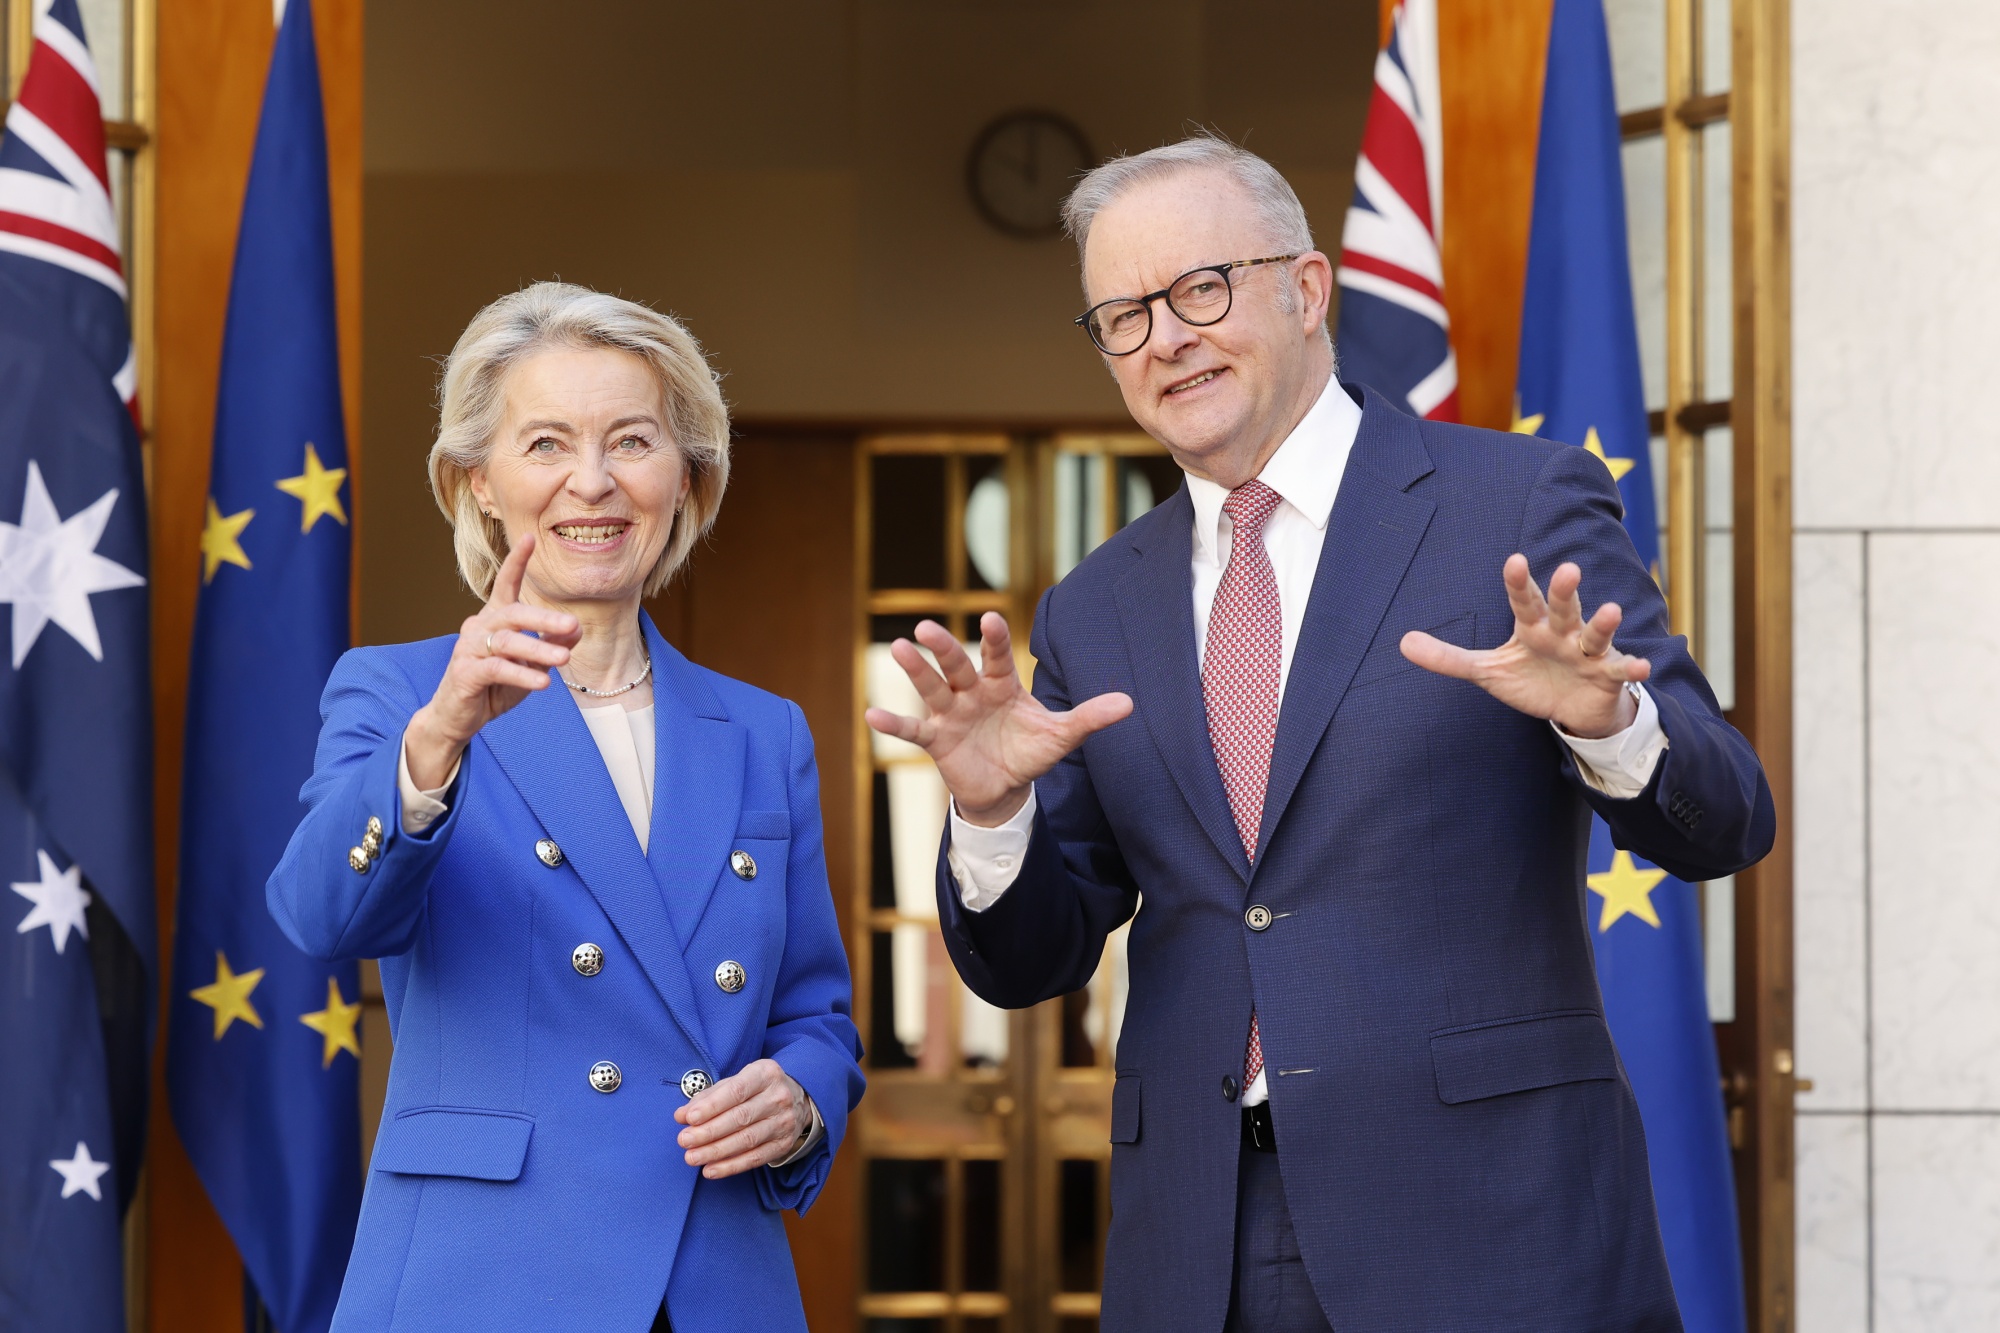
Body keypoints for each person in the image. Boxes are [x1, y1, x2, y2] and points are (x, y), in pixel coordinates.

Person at [867, 137, 1772, 1332]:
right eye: (1123, 316)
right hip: (1201, 1245)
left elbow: (1727, 817)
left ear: (1304, 288)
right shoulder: (1096, 604)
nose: (1167, 337)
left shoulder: (1512, 503)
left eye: (1200, 288)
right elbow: (1028, 960)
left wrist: (1611, 723)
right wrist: (988, 816)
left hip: (1489, 1224)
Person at [268, 282, 863, 1333]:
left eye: (632, 441)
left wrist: (802, 1098)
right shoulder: (401, 693)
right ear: (478, 484)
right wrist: (441, 735)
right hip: (485, 1280)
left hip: (713, 1278)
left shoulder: (762, 731)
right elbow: (322, 917)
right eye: (545, 443)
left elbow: (813, 1013)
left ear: (686, 480)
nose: (592, 483)